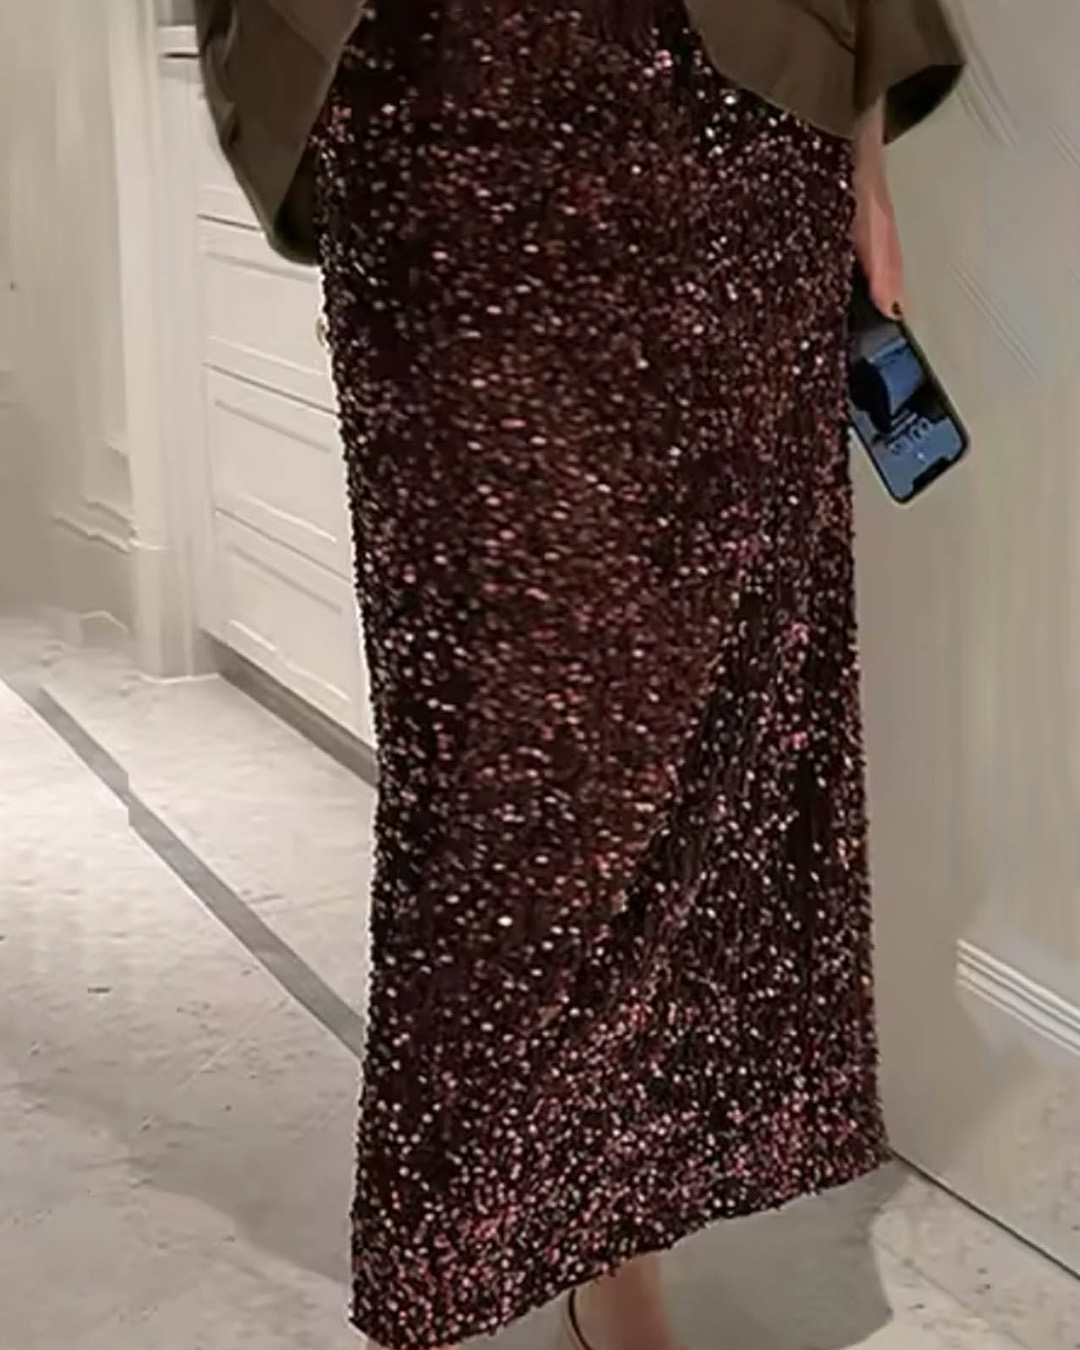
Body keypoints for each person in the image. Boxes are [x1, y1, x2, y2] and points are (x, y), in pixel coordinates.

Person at [194, 2, 964, 1348]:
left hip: (728, 116)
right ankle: (454, 1256)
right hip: (439, 103)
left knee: (708, 731)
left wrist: (864, 165)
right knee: (499, 756)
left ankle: (619, 1236)